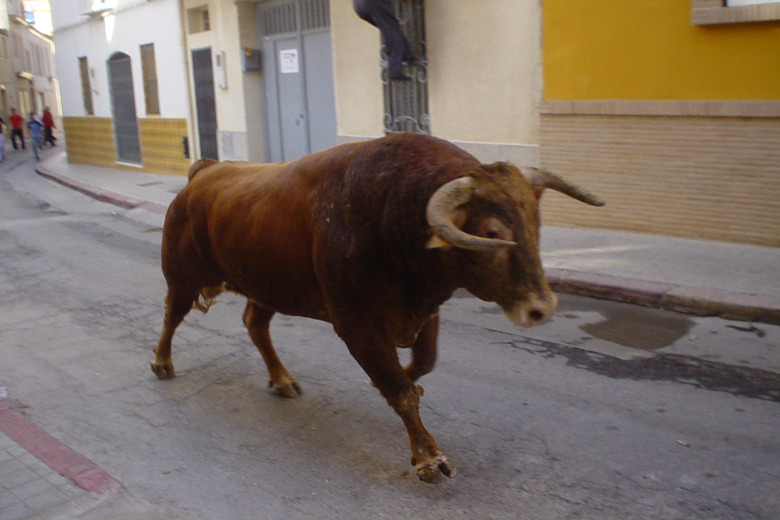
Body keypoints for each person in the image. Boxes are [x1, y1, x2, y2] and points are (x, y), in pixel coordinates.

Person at [353, 0, 417, 81]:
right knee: (391, 30)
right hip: (374, 3)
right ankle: (395, 72)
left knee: (390, 29)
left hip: (358, 5)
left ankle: (407, 56)